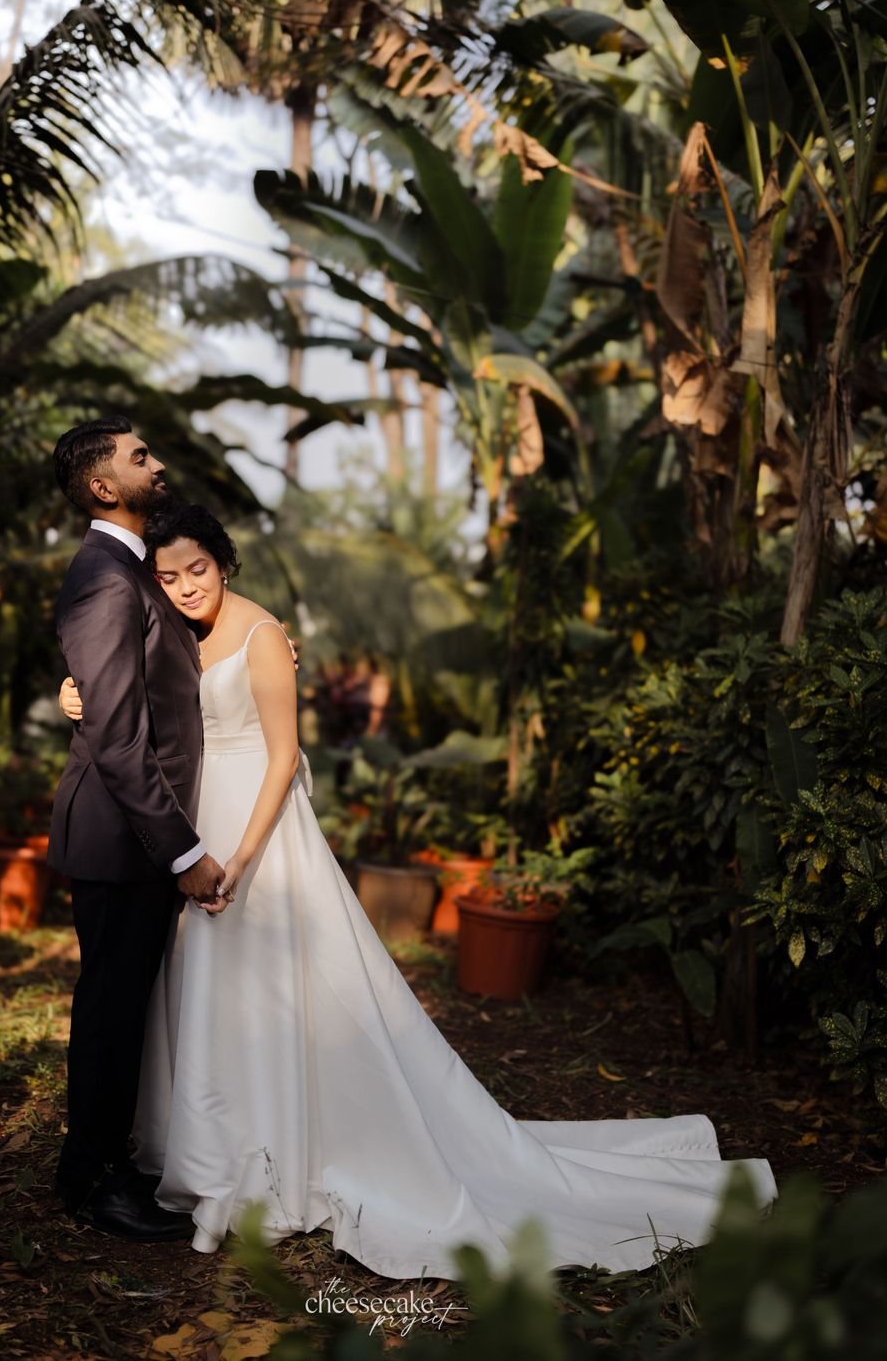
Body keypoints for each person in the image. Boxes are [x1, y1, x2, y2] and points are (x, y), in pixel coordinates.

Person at [58, 497, 779, 1280]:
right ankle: (210, 1146)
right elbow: (128, 696)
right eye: (168, 577)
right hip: (195, 823)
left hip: (254, 834)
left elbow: (284, 758)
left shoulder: (263, 635)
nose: (186, 586)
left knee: (277, 987)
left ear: (223, 561)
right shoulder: (173, 632)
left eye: (197, 568)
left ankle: (279, 1150)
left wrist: (242, 857)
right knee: (210, 991)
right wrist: (74, 691)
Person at [48, 417, 230, 1243]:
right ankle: (94, 1181)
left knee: (121, 1008)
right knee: (111, 1012)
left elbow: (153, 671)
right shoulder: (105, 579)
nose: (157, 466)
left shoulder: (131, 571)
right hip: (123, 837)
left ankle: (97, 1166)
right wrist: (184, 852)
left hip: (135, 835)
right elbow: (119, 739)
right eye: (139, 457)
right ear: (101, 486)